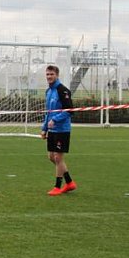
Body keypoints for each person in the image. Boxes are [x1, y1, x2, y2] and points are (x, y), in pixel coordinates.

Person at [41, 64, 77, 196]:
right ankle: (69, 182)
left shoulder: (63, 91)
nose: (49, 77)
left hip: (62, 130)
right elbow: (48, 113)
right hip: (52, 130)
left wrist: (55, 120)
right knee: (51, 157)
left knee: (58, 157)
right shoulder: (48, 92)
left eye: (51, 74)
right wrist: (44, 128)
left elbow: (69, 111)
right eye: (47, 74)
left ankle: (57, 187)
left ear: (57, 75)